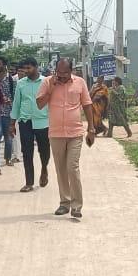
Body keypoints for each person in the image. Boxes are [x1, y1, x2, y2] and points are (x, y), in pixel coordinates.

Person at [36, 58, 97, 219]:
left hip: (75, 132)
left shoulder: (80, 82)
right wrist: (52, 87)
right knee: (61, 169)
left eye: (65, 72)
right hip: (56, 133)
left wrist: (91, 127)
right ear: (55, 70)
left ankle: (77, 205)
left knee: (72, 167)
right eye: (59, 72)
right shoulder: (48, 82)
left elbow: (87, 104)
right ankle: (65, 203)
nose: (62, 75)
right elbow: (40, 104)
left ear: (72, 71)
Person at [9, 57, 49, 193]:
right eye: (24, 68)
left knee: (44, 150)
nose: (26, 71)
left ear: (36, 67)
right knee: (27, 152)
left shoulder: (46, 82)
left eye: (28, 68)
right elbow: (16, 104)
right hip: (25, 122)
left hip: (43, 121)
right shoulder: (21, 84)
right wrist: (12, 123)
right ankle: (29, 182)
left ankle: (44, 168)